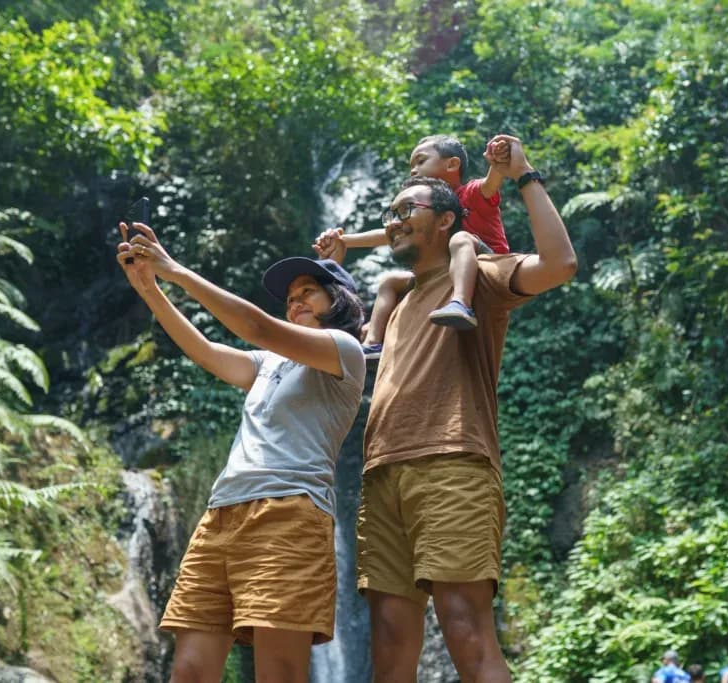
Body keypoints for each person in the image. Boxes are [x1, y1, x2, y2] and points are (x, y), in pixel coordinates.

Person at [327, 135, 575, 682]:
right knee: (389, 644)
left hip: (452, 463)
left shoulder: (478, 278)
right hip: (380, 476)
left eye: (406, 210)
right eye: (390, 213)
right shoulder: (394, 300)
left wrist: (525, 175)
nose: (394, 221)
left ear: (445, 221)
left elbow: (559, 264)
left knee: (464, 628)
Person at [116, 222, 367, 683]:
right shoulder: (269, 363)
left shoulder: (345, 351)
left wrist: (176, 270)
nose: (296, 299)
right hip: (220, 516)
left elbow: (254, 325)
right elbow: (208, 351)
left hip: (288, 513)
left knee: (280, 672)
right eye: (291, 295)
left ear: (340, 301)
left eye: (309, 290)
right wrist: (150, 289)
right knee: (188, 671)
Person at [314, 134, 512, 358]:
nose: (413, 170)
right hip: (446, 270)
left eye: (420, 161)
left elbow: (492, 182)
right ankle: (372, 343)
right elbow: (391, 232)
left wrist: (497, 162)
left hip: (490, 263)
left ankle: (461, 303)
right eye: (412, 165)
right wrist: (345, 240)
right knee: (390, 282)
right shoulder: (427, 209)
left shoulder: (472, 193)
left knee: (461, 239)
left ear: (452, 164)